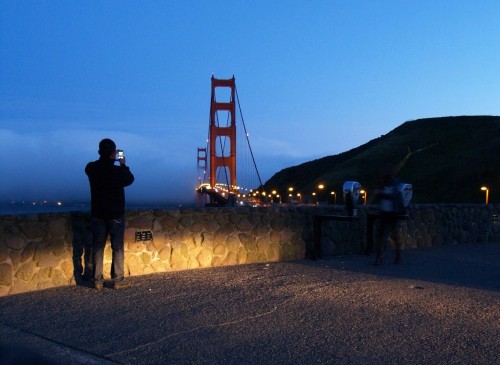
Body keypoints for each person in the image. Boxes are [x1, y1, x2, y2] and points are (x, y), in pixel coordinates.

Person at [85, 138, 135, 289]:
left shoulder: (92, 168)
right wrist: (123, 164)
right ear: (113, 153)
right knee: (117, 247)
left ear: (100, 152)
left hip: (98, 213)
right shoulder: (118, 171)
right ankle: (117, 280)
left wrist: (108, 159)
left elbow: (90, 169)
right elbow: (130, 179)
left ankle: (97, 280)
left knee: (98, 247)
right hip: (115, 214)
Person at [374, 166, 402, 265]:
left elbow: (394, 196)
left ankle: (398, 256)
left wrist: (381, 193)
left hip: (393, 213)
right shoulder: (382, 183)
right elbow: (377, 195)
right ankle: (378, 257)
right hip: (384, 212)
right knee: (380, 236)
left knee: (395, 236)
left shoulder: (395, 183)